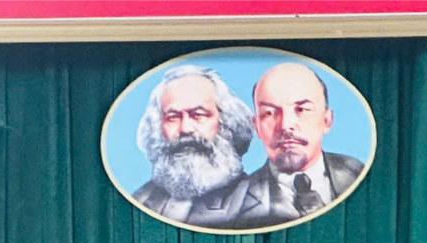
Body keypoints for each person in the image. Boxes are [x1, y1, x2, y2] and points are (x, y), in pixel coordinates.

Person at [201, 60, 369, 231]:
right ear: (257, 127)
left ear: (327, 120)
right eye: (269, 113)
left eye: (301, 110)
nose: (285, 125)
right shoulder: (233, 205)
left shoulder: (358, 173)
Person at [128, 64, 256, 227]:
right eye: (173, 117)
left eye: (198, 115)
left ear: (226, 122)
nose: (185, 128)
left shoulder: (255, 201)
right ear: (157, 127)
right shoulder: (141, 200)